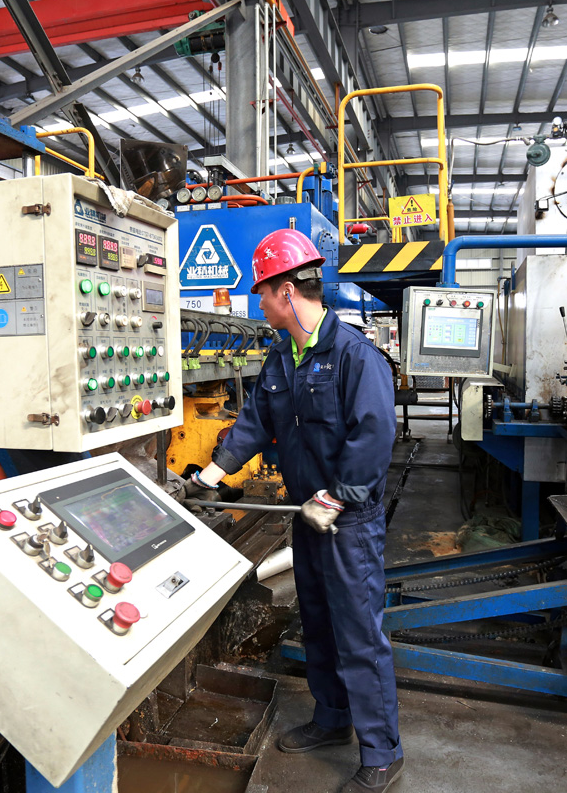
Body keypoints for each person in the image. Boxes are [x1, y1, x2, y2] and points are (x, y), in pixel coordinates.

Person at [185, 229, 403, 793]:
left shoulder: (354, 355)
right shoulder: (283, 357)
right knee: (320, 625)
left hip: (348, 523)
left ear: (287, 291)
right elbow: (256, 421)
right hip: (308, 516)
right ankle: (332, 719)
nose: (258, 302)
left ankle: (383, 751)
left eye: (262, 291)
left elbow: (375, 434)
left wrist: (340, 495)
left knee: (359, 635)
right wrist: (211, 475)